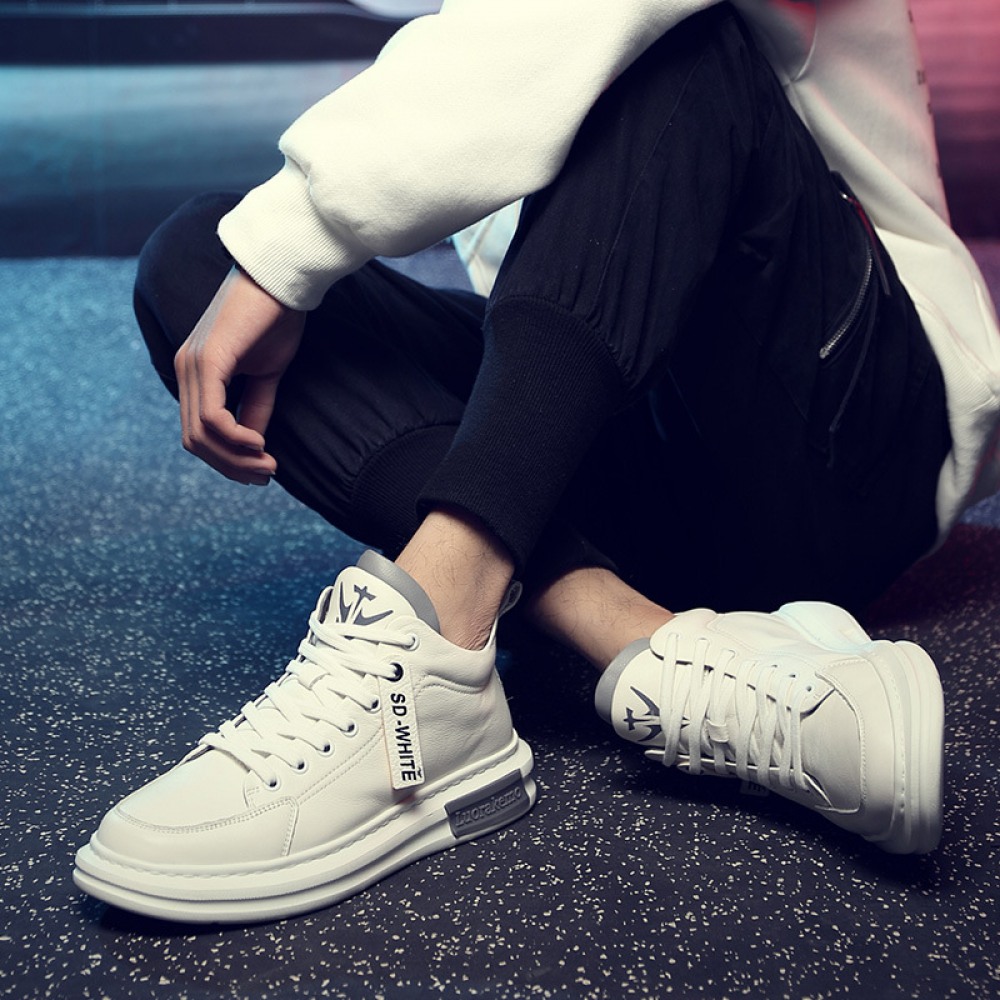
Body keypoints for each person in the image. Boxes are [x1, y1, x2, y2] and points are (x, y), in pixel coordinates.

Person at [73, 0, 1000, 924]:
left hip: (844, 454)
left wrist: (296, 238)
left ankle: (440, 625)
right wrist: (272, 255)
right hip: (617, 447)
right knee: (207, 258)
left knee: (670, 47)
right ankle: (648, 645)